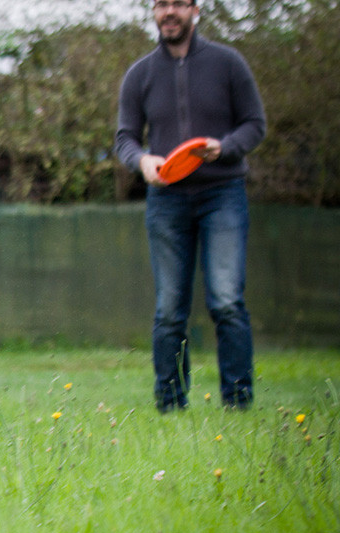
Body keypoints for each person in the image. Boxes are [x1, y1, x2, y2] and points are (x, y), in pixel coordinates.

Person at [114, 0, 266, 413]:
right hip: (166, 201)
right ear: (154, 12)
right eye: (162, 4)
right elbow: (125, 137)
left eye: (178, 3)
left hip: (223, 195)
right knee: (169, 310)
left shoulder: (228, 64)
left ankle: (238, 404)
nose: (169, 12)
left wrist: (226, 147)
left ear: (195, 10)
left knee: (227, 302)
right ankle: (170, 406)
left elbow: (255, 124)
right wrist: (142, 161)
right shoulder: (139, 74)